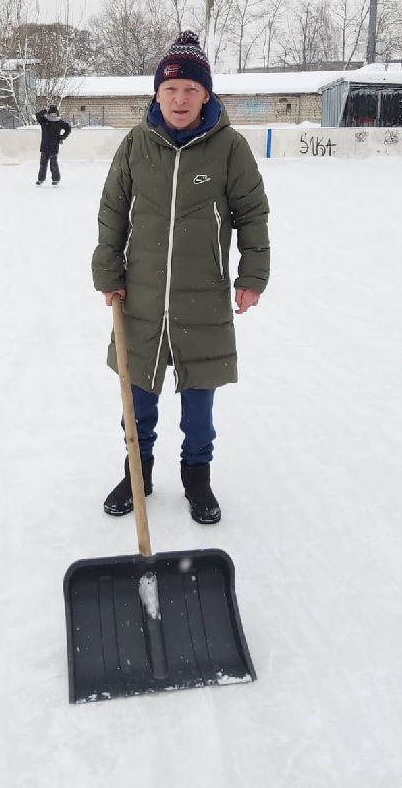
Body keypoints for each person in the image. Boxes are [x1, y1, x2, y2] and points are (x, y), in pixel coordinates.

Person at [92, 31, 270, 524]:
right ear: (157, 93)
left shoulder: (229, 148)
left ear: (206, 94)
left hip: (203, 296)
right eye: (170, 88)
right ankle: (138, 473)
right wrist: (107, 270)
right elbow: (112, 210)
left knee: (198, 403)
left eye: (191, 88)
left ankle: (197, 477)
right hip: (141, 294)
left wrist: (252, 275)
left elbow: (252, 213)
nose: (180, 98)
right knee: (138, 397)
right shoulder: (136, 144)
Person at [35, 104, 71, 185]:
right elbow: (37, 115)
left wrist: (62, 137)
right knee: (43, 164)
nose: (53, 115)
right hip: (44, 146)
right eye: (51, 114)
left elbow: (68, 128)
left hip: (54, 147)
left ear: (57, 113)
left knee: (53, 164)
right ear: (49, 113)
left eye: (54, 114)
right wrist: (45, 110)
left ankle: (55, 180)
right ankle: (40, 179)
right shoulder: (44, 121)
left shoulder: (59, 122)